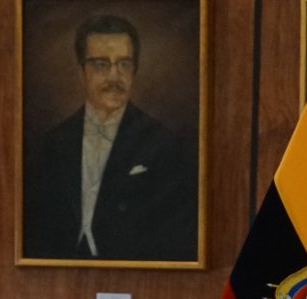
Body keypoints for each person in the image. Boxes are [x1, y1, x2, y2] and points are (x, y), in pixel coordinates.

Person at [23, 15, 197, 262]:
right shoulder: (53, 144)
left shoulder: (164, 145)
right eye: (101, 65)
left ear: (135, 69)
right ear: (81, 70)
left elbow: (174, 237)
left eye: (124, 64)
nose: (115, 77)